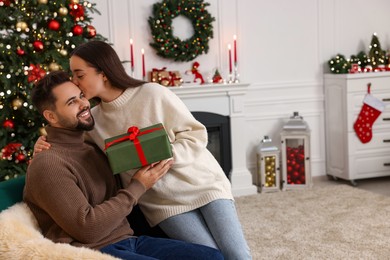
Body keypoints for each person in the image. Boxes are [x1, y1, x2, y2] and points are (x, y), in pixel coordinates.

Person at [35, 41, 252, 260]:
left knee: (237, 254)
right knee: (212, 255)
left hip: (203, 184)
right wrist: (41, 143)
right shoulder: (94, 120)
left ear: (103, 73)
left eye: (79, 75)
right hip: (162, 204)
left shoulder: (152, 93)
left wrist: (164, 157)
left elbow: (196, 134)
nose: (75, 82)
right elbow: (69, 144)